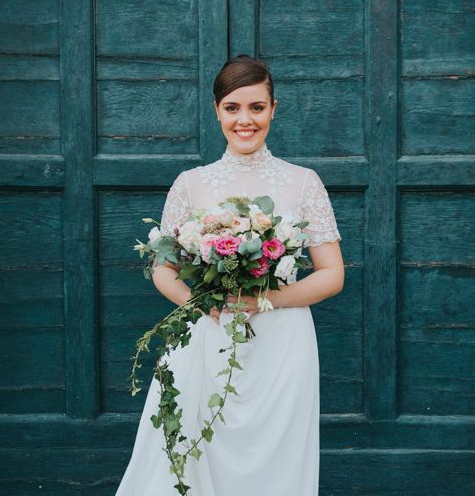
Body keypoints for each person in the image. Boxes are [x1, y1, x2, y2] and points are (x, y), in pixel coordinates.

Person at [115, 55, 345, 495]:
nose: (245, 120)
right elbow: (163, 271)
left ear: (274, 109)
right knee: (192, 451)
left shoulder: (303, 182)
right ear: (217, 110)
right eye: (233, 108)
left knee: (277, 458)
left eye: (256, 108)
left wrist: (263, 300)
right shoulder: (190, 182)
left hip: (281, 341)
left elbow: (332, 274)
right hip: (204, 334)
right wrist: (203, 304)